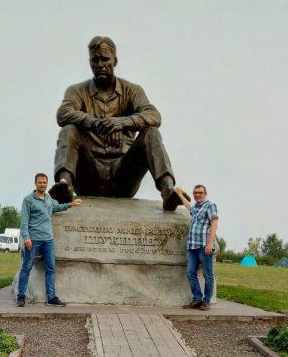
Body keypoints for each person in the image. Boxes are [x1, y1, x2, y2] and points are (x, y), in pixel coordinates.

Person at [50, 36, 189, 210]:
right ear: (90, 62)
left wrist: (122, 122)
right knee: (68, 130)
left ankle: (168, 190)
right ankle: (65, 186)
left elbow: (154, 115)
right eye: (95, 60)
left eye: (105, 59)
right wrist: (92, 122)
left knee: (151, 132)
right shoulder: (76, 91)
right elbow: (63, 114)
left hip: (123, 177)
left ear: (115, 60)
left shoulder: (132, 91)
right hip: (88, 177)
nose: (100, 64)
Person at [16, 173, 82, 307]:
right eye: (40, 182)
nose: (42, 185)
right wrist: (27, 238)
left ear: (47, 184)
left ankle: (51, 298)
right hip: (33, 240)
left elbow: (55, 208)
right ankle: (21, 296)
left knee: (51, 269)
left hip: (48, 240)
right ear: (35, 184)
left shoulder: (48, 198)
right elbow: (24, 222)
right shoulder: (28, 200)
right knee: (26, 268)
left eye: (44, 182)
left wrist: (71, 204)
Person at [175, 185, 218, 310]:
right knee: (190, 272)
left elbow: (214, 223)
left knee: (208, 274)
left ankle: (206, 301)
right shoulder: (196, 208)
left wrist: (210, 243)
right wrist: (180, 194)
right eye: (195, 193)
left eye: (200, 192)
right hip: (192, 246)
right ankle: (197, 299)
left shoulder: (210, 205)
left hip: (204, 246)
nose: (197, 195)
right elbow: (188, 206)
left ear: (205, 193)